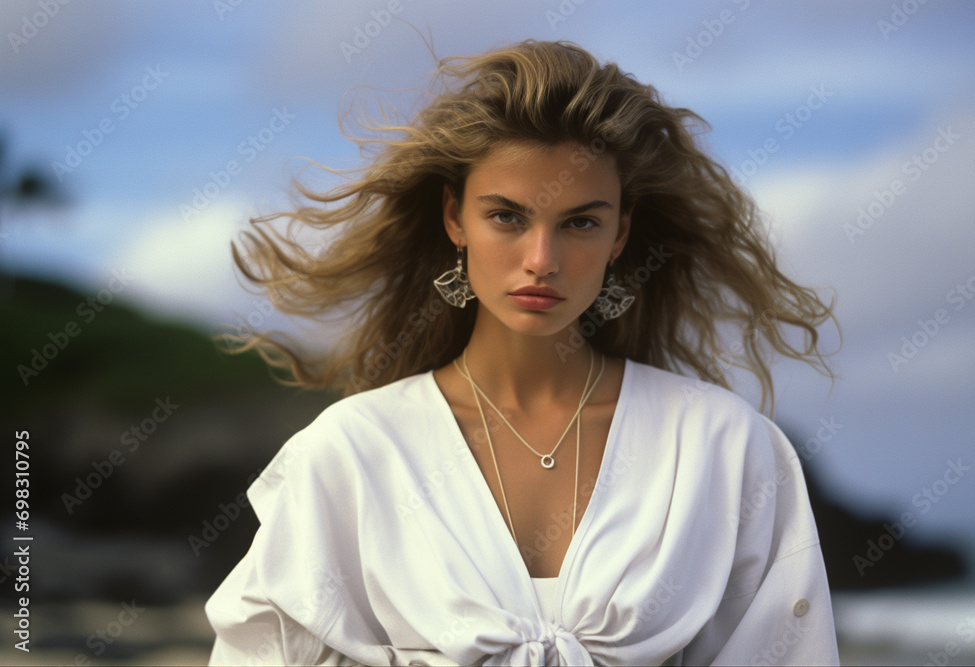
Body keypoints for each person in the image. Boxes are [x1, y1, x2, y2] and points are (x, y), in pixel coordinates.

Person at [205, 39, 841, 666]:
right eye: (507, 217)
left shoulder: (722, 447)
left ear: (621, 235)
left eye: (580, 222)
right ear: (455, 218)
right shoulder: (351, 454)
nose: (542, 261)